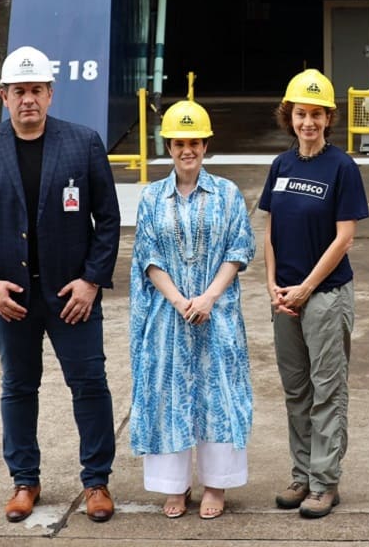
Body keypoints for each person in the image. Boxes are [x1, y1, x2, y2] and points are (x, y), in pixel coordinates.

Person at [0, 46, 119, 523]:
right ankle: (25, 480)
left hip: (72, 298)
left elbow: (107, 220)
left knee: (89, 385)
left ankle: (96, 482)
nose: (29, 100)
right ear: (4, 96)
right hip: (12, 301)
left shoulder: (82, 143)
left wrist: (90, 281)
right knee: (19, 387)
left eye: (37, 90)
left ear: (50, 93)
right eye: (19, 91)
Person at [128, 87, 256, 520]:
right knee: (169, 393)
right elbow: (147, 256)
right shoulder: (150, 198)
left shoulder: (227, 194)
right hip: (170, 316)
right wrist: (181, 300)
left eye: (195, 142)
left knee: (218, 392)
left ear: (206, 145)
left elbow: (239, 249)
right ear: (169, 146)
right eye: (179, 143)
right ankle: (174, 486)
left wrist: (208, 298)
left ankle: (216, 486)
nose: (188, 150)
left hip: (216, 314)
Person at [259, 68, 369, 519]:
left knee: (327, 391)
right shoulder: (281, 166)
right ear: (290, 116)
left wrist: (306, 288)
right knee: (296, 389)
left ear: (329, 118)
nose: (308, 122)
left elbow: (344, 237)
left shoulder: (341, 167)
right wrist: (272, 284)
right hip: (284, 297)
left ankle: (325, 482)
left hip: (324, 297)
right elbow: (269, 230)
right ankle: (301, 474)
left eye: (316, 114)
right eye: (301, 113)